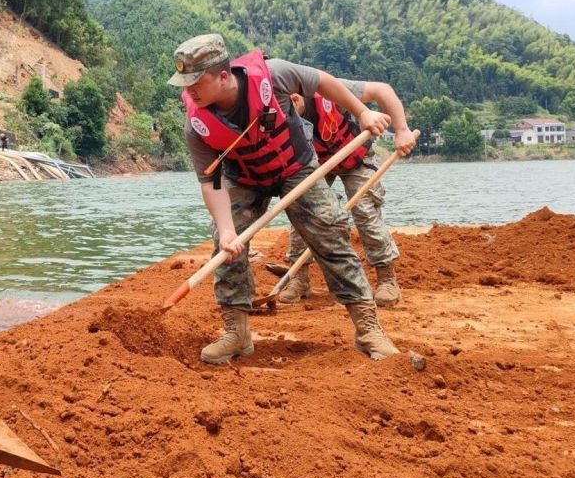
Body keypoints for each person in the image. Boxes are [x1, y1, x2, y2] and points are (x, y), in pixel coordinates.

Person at [169, 34, 399, 365]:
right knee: (225, 242)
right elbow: (211, 183)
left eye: (195, 81)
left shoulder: (274, 74)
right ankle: (237, 333)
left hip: (294, 167)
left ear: (222, 75)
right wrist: (228, 231)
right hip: (244, 177)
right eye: (184, 82)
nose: (188, 90)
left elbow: (323, 82)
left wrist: (362, 112)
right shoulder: (196, 126)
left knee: (330, 232)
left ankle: (368, 329)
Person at [277, 83, 416, 306]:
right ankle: (300, 279)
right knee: (302, 210)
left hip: (356, 157)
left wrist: (402, 130)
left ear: (294, 98)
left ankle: (387, 280)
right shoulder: (276, 116)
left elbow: (383, 90)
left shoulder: (329, 88)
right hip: (317, 164)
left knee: (364, 209)